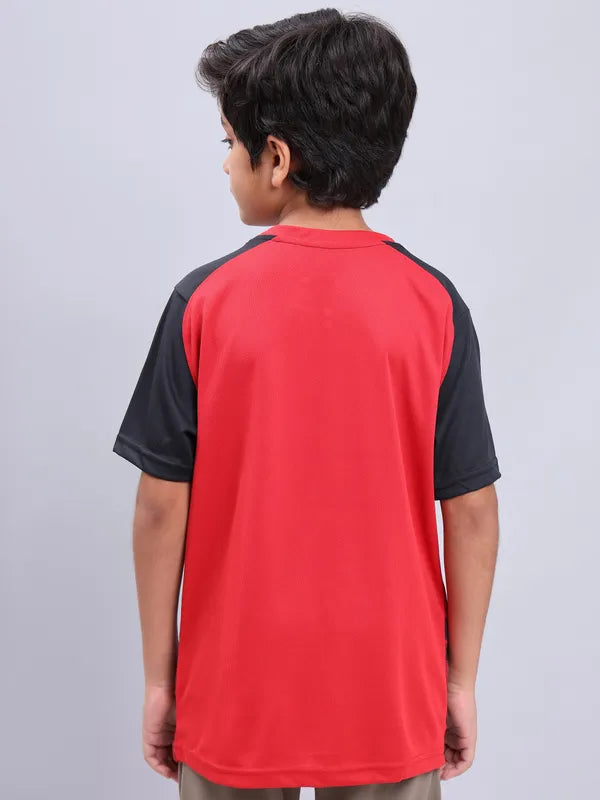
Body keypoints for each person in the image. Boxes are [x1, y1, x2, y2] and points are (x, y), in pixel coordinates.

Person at [112, 9, 501, 800]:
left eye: (231, 143)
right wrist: (459, 680)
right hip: (390, 684)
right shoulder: (434, 303)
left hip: (235, 684)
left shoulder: (204, 301)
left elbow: (159, 507)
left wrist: (160, 679)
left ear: (278, 158)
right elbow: (471, 510)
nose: (226, 163)